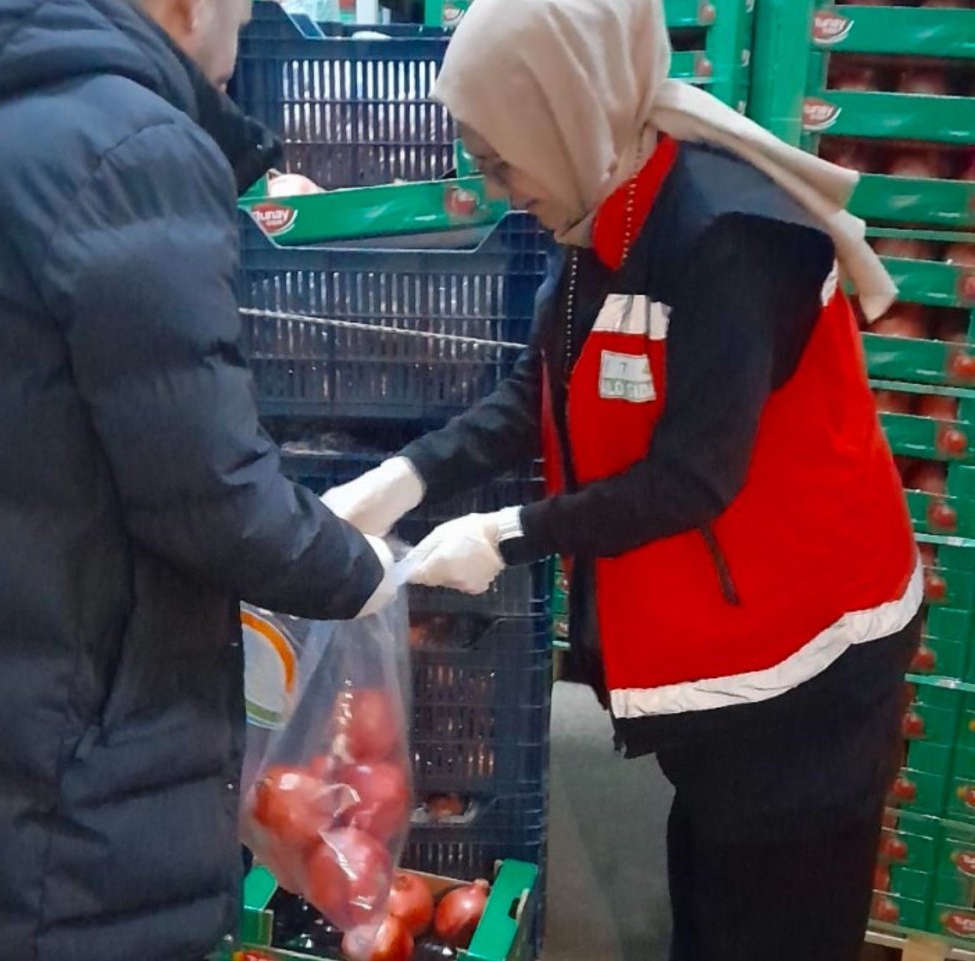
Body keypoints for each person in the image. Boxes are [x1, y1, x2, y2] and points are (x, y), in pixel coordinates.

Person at [322, 0, 923, 957]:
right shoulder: (605, 202)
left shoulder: (730, 234)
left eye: (500, 155)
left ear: (562, 111)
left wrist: (508, 534)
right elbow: (541, 393)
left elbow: (693, 478)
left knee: (780, 915)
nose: (497, 185)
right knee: (714, 879)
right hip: (720, 659)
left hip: (804, 672)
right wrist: (403, 476)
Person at [0, 1, 397, 959]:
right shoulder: (128, 149)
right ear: (186, 7)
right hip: (78, 769)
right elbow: (212, 497)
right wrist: (363, 565)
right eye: (242, 15)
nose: (241, 38)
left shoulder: (9, 119)